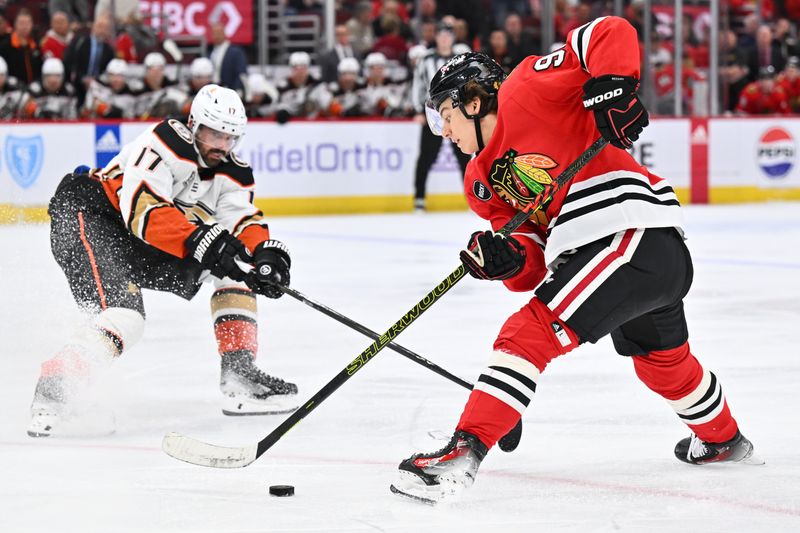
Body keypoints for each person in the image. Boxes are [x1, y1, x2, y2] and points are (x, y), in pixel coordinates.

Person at [391, 16, 759, 505]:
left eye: (445, 116)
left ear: (472, 101)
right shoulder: (481, 182)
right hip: (628, 255)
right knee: (661, 364)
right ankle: (722, 439)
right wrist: (506, 261)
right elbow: (536, 266)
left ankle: (462, 454)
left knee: (528, 333)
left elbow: (609, 32)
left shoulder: (527, 86)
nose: (444, 132)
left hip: (625, 230)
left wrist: (611, 87)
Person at [28, 84, 299, 437]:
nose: (222, 145)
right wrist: (201, 240)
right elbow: (145, 212)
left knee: (239, 269)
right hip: (90, 216)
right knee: (126, 317)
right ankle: (55, 391)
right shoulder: (164, 142)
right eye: (214, 133)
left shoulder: (232, 171)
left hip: (139, 241)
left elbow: (243, 221)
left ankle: (239, 373)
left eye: (230, 137)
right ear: (194, 124)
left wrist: (264, 256)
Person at [411, 23, 471, 212]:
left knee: (464, 156)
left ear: (453, 38)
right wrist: (417, 110)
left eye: (448, 35)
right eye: (441, 35)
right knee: (426, 157)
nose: (444, 39)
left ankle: (472, 198)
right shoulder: (426, 59)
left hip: (458, 113)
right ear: (435, 37)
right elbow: (417, 86)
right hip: (433, 114)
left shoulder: (460, 59)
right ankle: (419, 198)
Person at [0, 8, 43, 85]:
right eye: (21, 23)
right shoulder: (5, 46)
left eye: (27, 23)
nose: (25, 27)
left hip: (34, 89)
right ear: (15, 24)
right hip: (12, 89)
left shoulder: (35, 45)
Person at [208, 20, 248, 92]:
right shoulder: (211, 52)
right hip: (213, 90)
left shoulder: (236, 52)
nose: (216, 36)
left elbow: (241, 74)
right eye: (214, 33)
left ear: (224, 33)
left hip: (229, 89)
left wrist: (235, 91)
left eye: (218, 33)